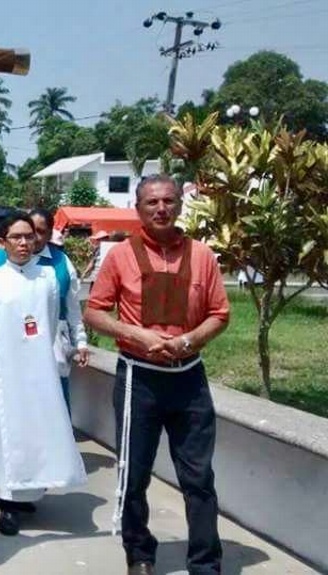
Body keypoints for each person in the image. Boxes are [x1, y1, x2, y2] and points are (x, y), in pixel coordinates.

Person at [84, 175, 230, 575]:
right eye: (152, 202)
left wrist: (188, 342)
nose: (161, 208)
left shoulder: (202, 255)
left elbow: (220, 313)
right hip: (138, 379)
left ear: (179, 206)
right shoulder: (119, 256)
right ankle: (140, 554)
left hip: (189, 379)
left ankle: (205, 562)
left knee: (199, 477)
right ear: (139, 209)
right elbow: (94, 310)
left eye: (168, 200)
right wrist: (135, 334)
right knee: (134, 474)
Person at [0, 213, 87, 537]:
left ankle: (29, 492)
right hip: (2, 366)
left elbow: (49, 319)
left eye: (29, 237)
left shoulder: (47, 278)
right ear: (2, 241)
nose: (24, 243)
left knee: (34, 428)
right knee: (6, 431)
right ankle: (8, 502)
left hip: (37, 363)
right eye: (16, 238)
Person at [24, 208, 89, 408]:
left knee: (55, 399)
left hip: (54, 344)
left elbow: (73, 308)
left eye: (41, 231)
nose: (34, 237)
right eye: (30, 230)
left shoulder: (61, 262)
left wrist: (81, 342)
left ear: (50, 232)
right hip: (19, 342)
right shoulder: (3, 259)